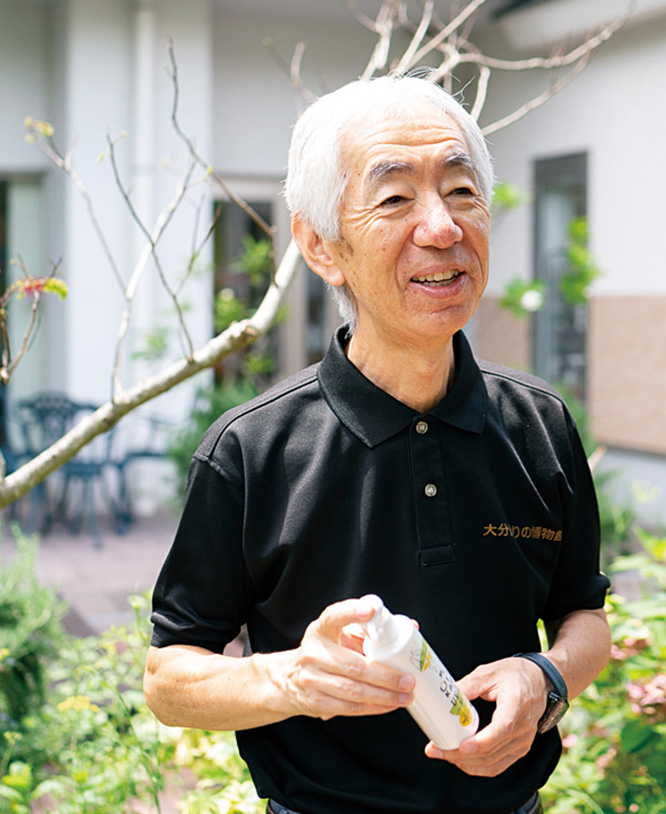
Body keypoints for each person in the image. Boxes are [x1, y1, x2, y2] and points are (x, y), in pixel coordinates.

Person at [144, 75, 611, 814]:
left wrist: (547, 678)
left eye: (461, 191)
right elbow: (169, 677)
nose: (443, 227)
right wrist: (293, 678)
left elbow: (584, 613)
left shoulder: (540, 424)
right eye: (395, 199)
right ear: (320, 245)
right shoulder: (252, 449)